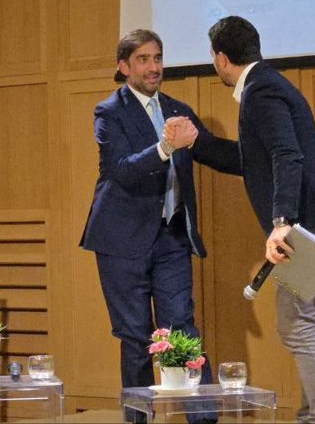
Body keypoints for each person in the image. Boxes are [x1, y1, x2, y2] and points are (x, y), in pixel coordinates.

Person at [179, 15, 315, 424]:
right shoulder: (267, 84)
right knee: (307, 322)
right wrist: (197, 142)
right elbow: (252, 158)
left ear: (221, 58)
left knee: (295, 324)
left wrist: (282, 221)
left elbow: (285, 154)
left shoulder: (260, 91)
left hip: (311, 220)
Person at [79, 29, 240, 405]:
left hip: (171, 237)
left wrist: (262, 155)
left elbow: (211, 150)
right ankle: (139, 416)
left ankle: (202, 416)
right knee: (136, 337)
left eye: (158, 58)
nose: (154, 67)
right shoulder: (109, 112)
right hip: (122, 241)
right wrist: (166, 146)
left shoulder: (177, 109)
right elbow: (122, 170)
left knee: (181, 328)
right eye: (143, 59)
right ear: (124, 67)